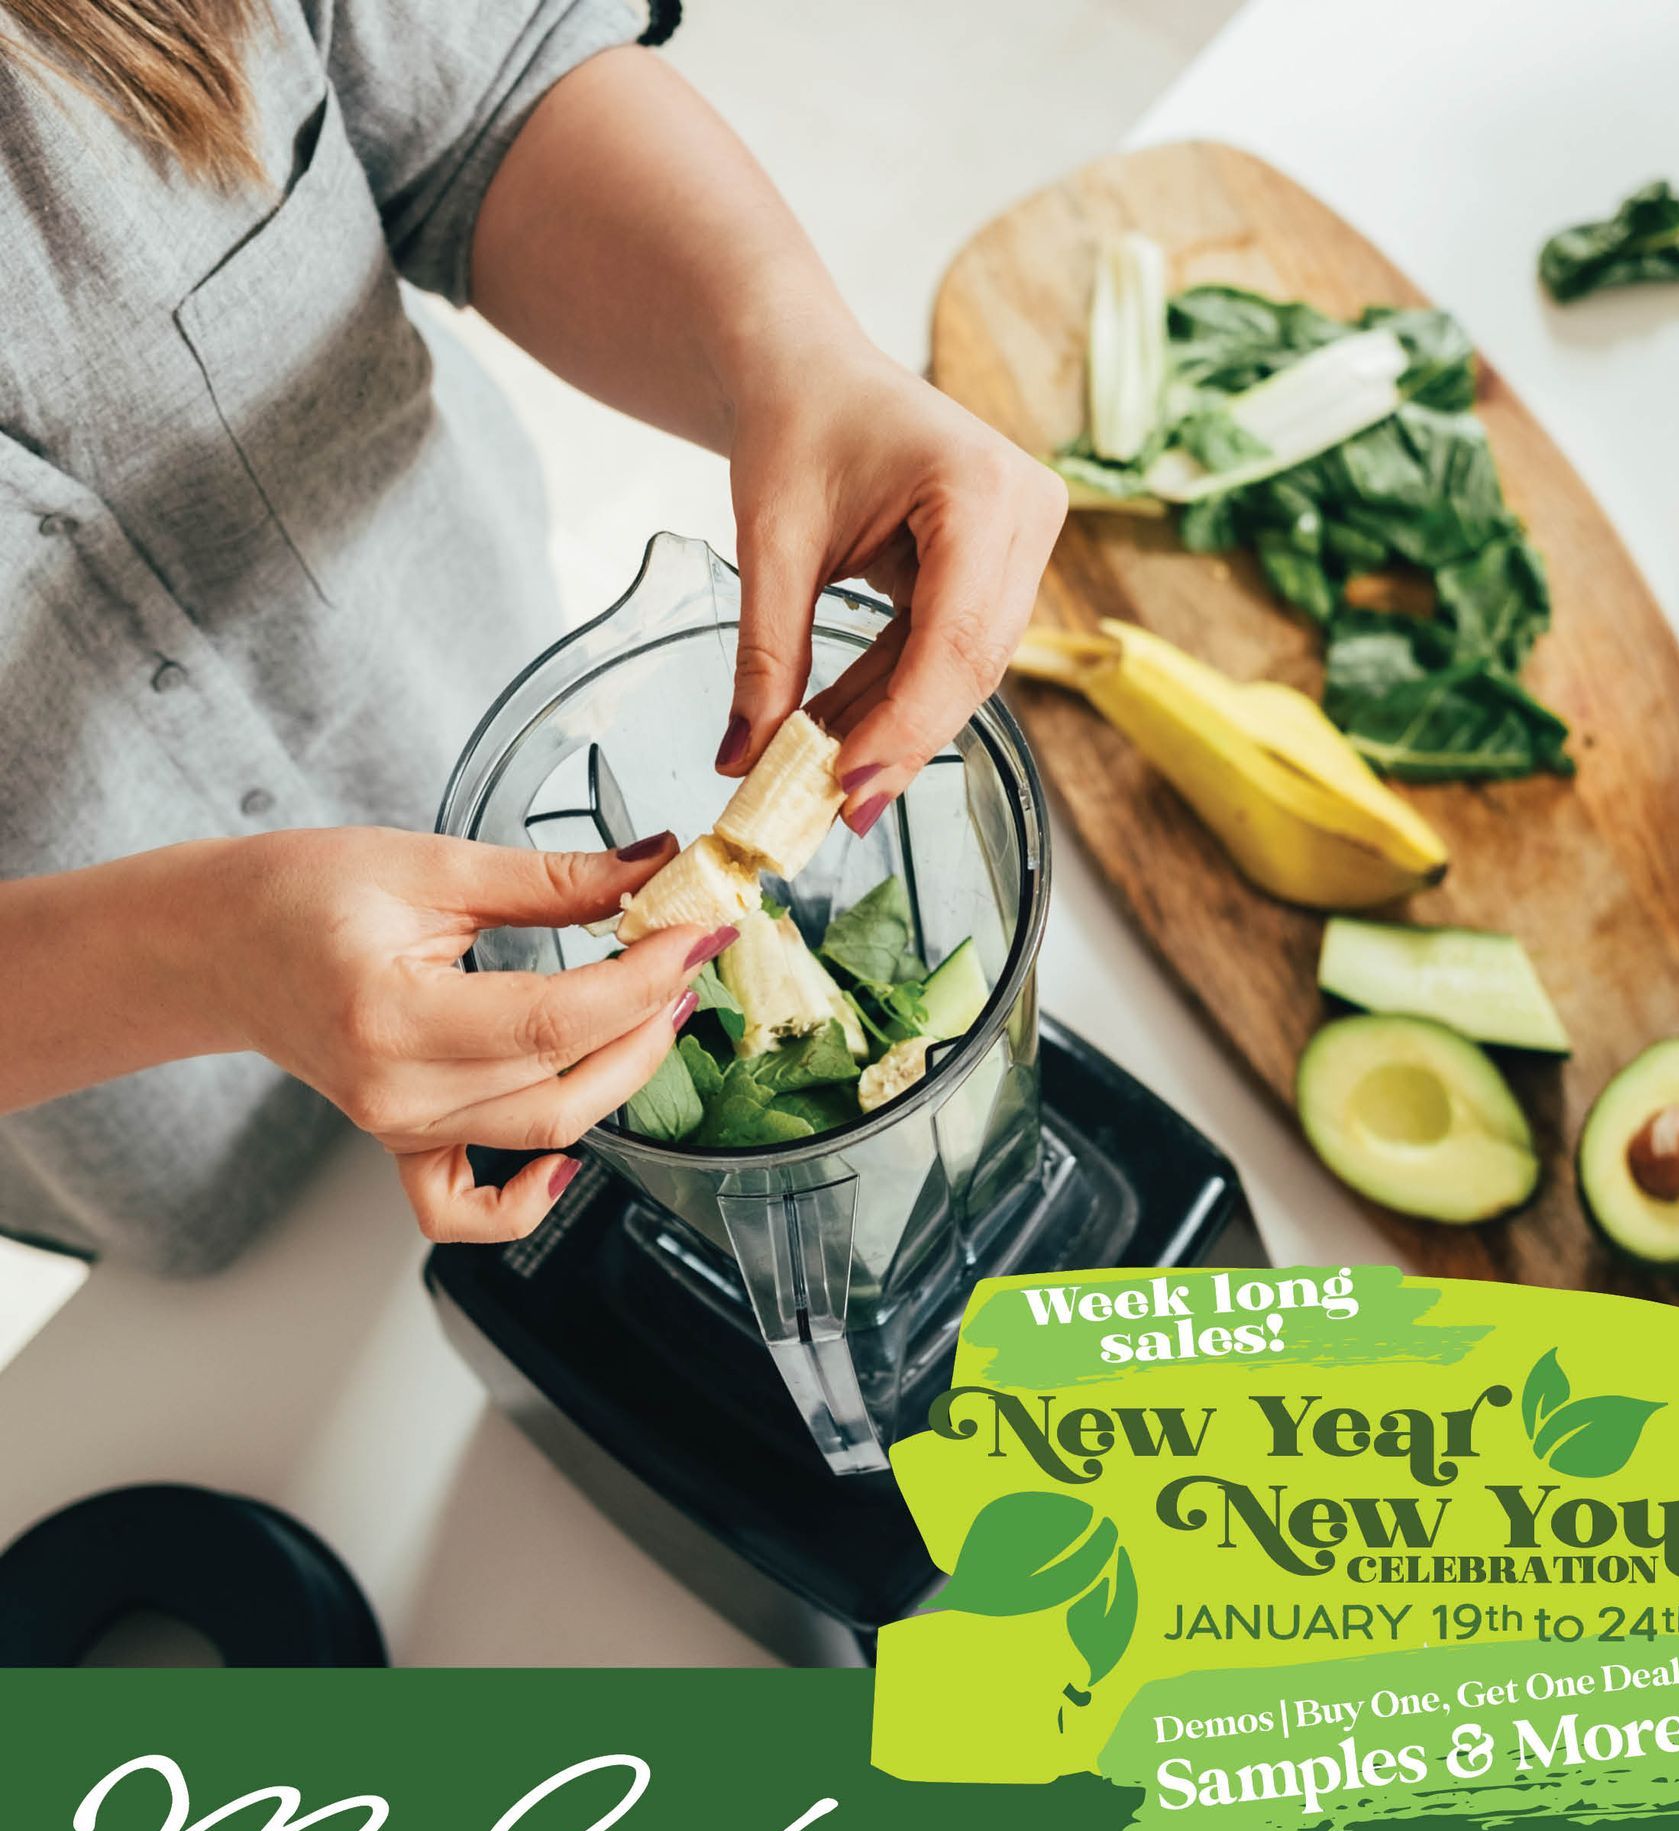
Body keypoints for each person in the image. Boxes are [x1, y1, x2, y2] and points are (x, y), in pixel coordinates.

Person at [0, 1, 1066, 1267]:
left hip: (464, 712)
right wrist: (201, 963)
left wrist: (795, 354)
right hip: (115, 1097)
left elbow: (488, 102)